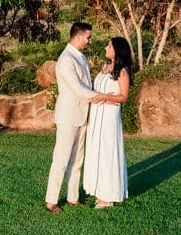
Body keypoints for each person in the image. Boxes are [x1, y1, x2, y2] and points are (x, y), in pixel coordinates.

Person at [45, 22, 105, 212]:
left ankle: (73, 197)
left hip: (82, 114)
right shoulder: (66, 59)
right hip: (68, 114)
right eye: (88, 37)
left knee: (77, 159)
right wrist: (101, 97)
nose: (90, 41)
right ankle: (51, 201)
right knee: (61, 159)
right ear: (78, 37)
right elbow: (76, 87)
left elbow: (86, 84)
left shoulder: (81, 57)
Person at [83, 36, 134, 208]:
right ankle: (99, 191)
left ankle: (108, 196)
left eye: (109, 46)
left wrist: (105, 97)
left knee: (107, 151)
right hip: (96, 114)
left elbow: (124, 97)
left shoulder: (122, 71)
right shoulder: (105, 67)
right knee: (96, 150)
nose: (106, 48)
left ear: (118, 50)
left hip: (109, 116)